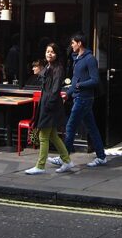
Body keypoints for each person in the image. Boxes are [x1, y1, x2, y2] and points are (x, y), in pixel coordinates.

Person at [49, 32, 107, 168]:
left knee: (70, 127)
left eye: (73, 43)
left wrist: (80, 85)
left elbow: (95, 80)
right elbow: (75, 80)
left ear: (79, 43)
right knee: (92, 128)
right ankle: (101, 156)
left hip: (84, 98)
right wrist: (68, 94)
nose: (72, 45)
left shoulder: (90, 59)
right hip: (78, 97)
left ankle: (64, 158)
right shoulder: (77, 58)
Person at [25, 43, 74, 175]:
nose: (49, 54)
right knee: (52, 135)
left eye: (52, 52)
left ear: (56, 54)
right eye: (47, 51)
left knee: (43, 136)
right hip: (46, 102)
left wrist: (48, 105)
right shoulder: (48, 66)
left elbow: (55, 89)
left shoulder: (58, 69)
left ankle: (40, 166)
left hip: (50, 104)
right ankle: (67, 160)